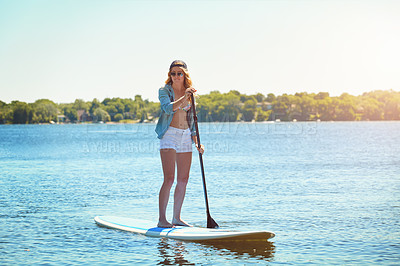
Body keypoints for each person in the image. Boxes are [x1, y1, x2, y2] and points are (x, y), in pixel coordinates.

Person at [155, 60, 204, 228]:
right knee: (169, 178)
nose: (176, 76)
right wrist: (185, 97)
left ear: (185, 75)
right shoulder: (164, 91)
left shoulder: (189, 93)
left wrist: (197, 141)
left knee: (183, 179)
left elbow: (192, 118)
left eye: (179, 73)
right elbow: (168, 108)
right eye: (173, 73)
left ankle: (177, 218)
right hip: (169, 134)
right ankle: (162, 219)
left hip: (185, 136)